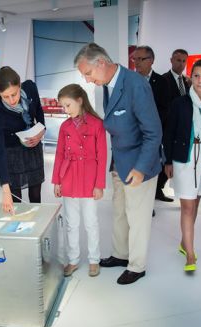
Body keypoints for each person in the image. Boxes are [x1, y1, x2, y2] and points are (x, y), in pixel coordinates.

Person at [74, 43, 162, 285]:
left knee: (138, 217)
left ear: (101, 63)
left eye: (88, 73)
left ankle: (137, 266)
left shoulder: (136, 85)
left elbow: (153, 132)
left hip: (139, 165)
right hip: (120, 162)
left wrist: (141, 168)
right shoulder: (106, 85)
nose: (88, 80)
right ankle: (121, 255)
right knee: (120, 213)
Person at [164, 59, 201, 272]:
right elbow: (169, 133)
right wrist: (168, 160)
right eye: (196, 75)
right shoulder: (180, 103)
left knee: (195, 204)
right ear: (191, 77)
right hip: (183, 160)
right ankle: (190, 253)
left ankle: (183, 242)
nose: (200, 80)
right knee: (187, 206)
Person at [51, 84, 107, 278]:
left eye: (67, 105)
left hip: (89, 178)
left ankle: (94, 260)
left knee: (91, 222)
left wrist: (99, 184)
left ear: (80, 100)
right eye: (63, 107)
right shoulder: (65, 126)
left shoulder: (97, 124)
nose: (65, 110)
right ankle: (73, 260)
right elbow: (59, 154)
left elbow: (103, 156)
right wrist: (57, 181)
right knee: (71, 223)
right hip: (68, 178)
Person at [0, 66, 46, 214]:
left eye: (14, 94)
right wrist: (5, 189)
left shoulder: (31, 88)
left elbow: (39, 111)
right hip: (12, 153)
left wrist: (41, 132)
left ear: (20, 85)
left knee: (35, 196)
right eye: (5, 97)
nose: (11, 100)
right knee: (15, 199)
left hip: (33, 148)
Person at [131, 45, 173, 204]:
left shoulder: (162, 82)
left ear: (151, 60)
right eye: (135, 59)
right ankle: (136, 202)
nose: (137, 63)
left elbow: (165, 108)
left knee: (149, 169)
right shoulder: (129, 80)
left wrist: (150, 124)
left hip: (151, 134)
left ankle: (148, 202)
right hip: (133, 134)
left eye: (141, 59)